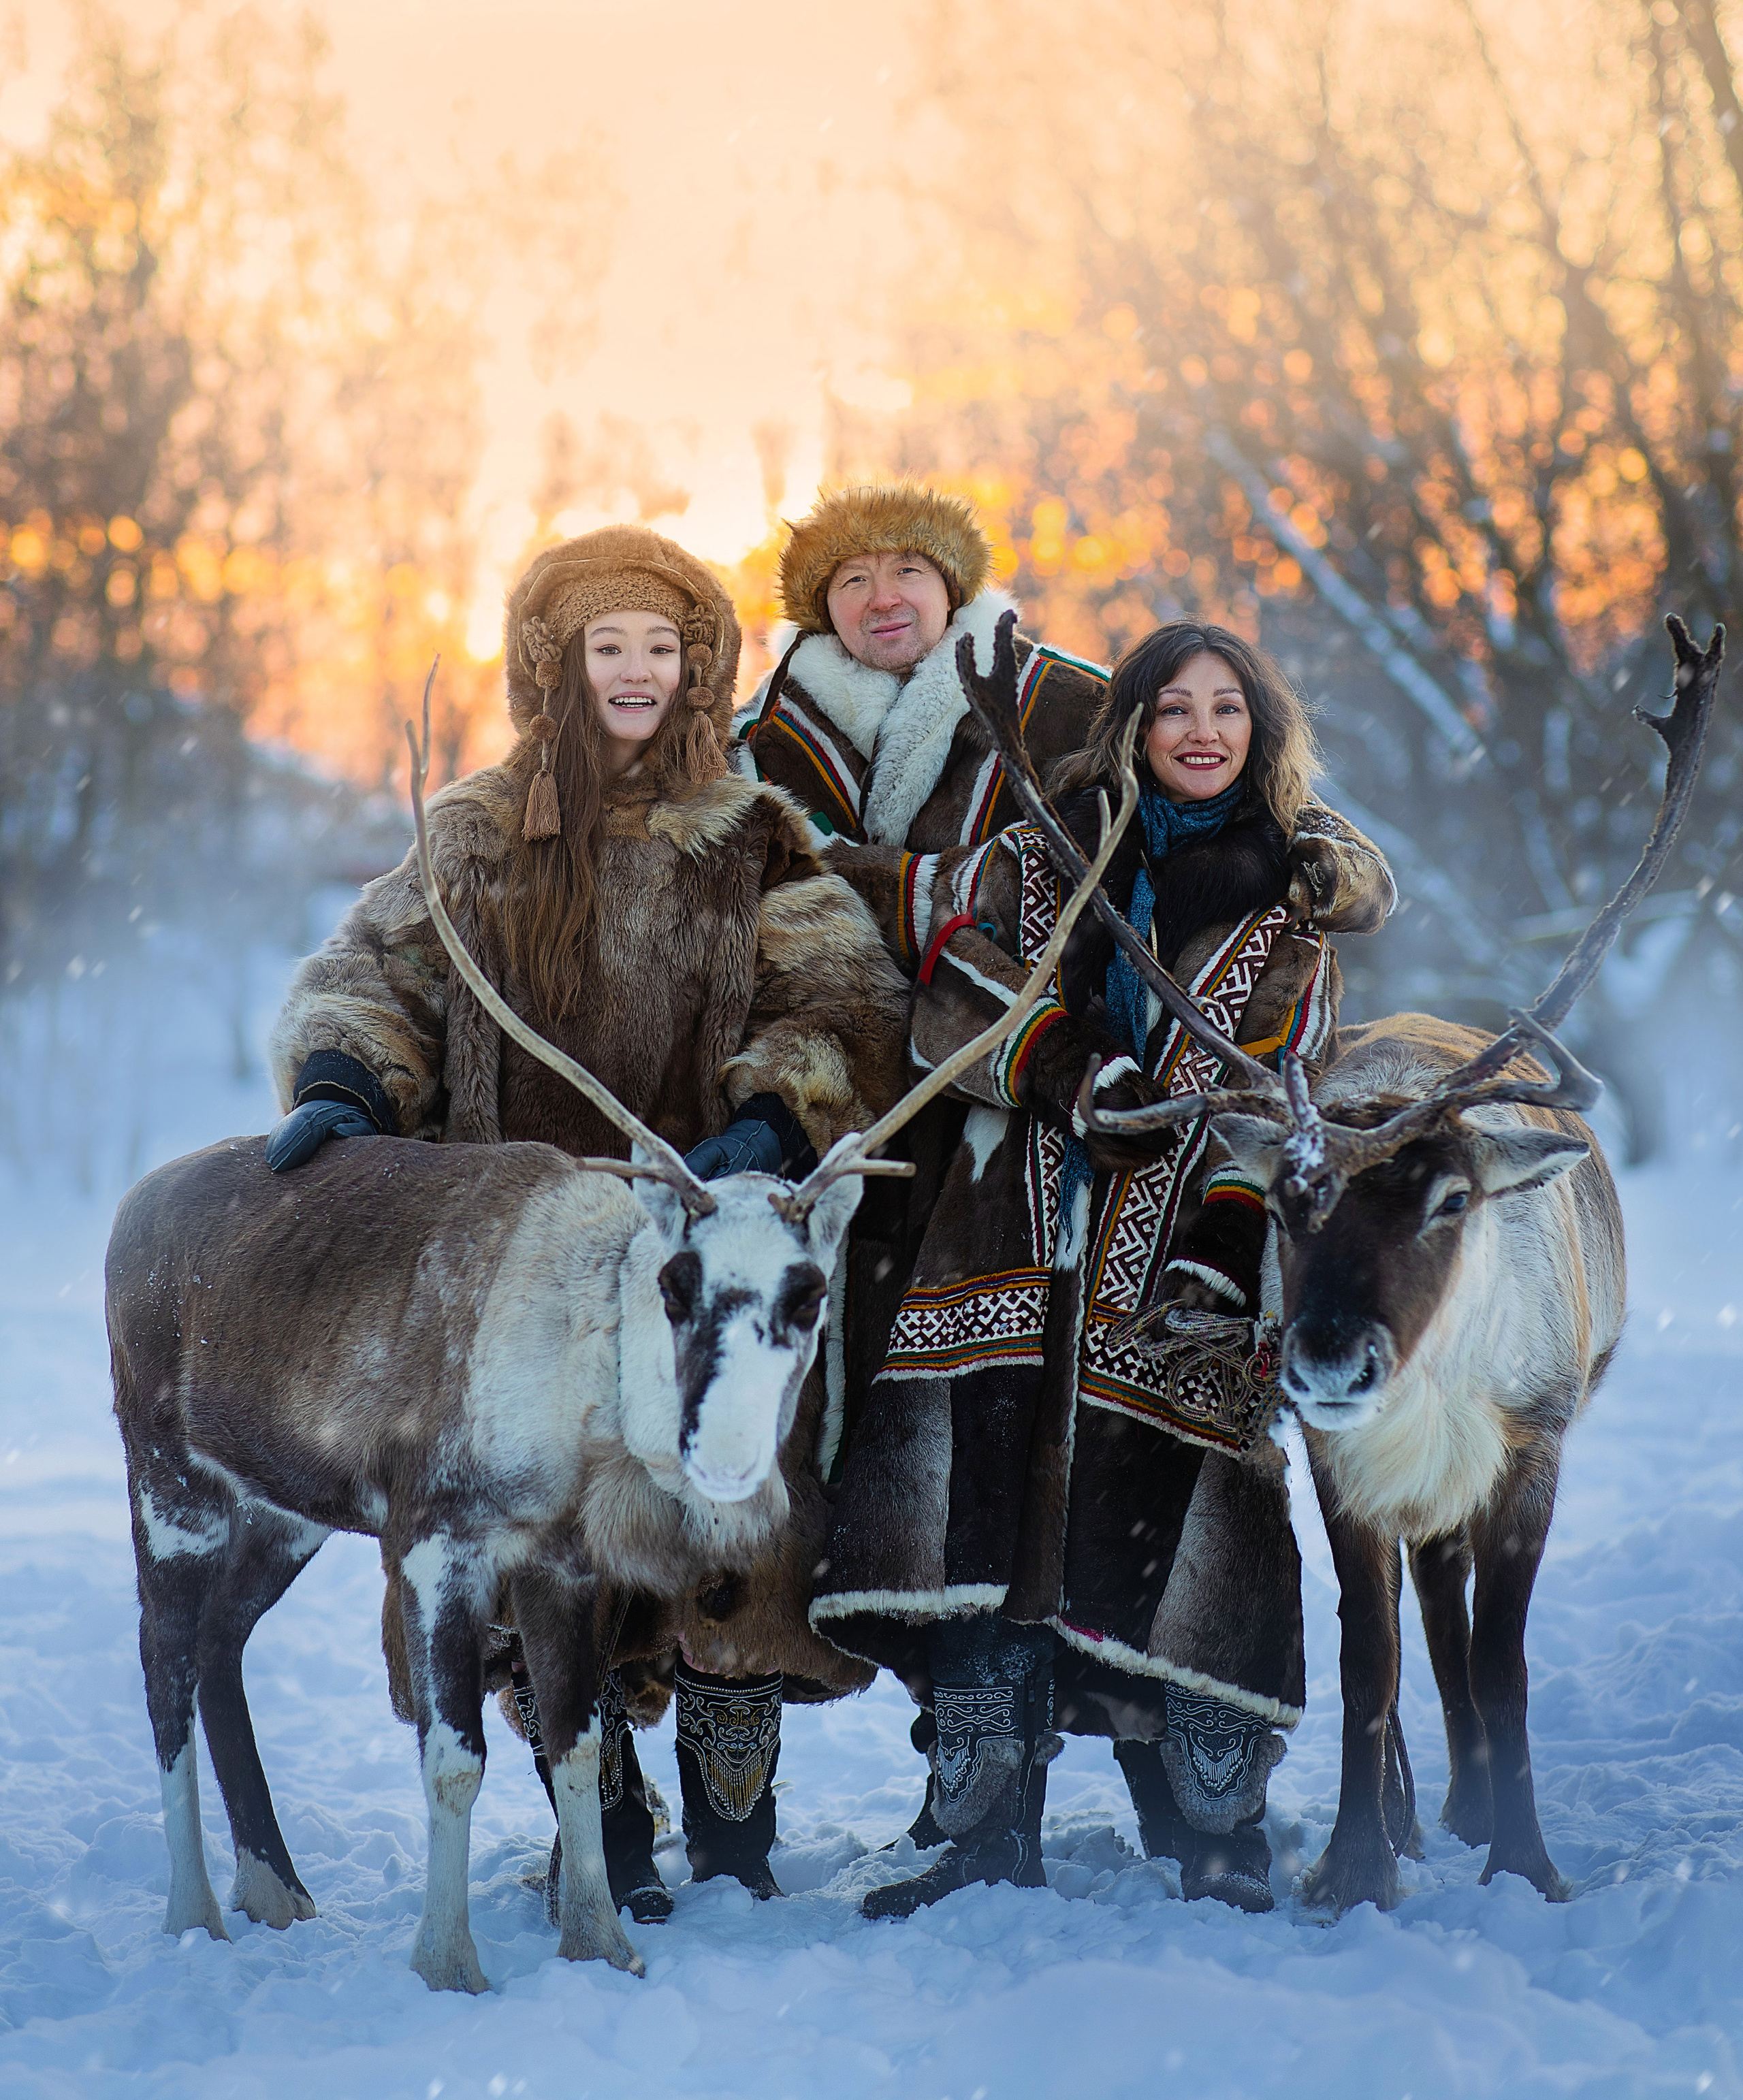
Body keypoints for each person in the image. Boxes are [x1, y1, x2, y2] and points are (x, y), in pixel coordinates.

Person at [740, 483, 1394, 1868]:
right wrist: (1063, 1070)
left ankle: (1200, 1784)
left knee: (1177, 1480)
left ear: (1260, 732)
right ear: (1133, 726)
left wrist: (1218, 1203)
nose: (1198, 732)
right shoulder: (1054, 845)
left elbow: (1283, 1066)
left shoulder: (1290, 891)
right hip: (1005, 1206)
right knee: (986, 1483)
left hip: (1189, 1240)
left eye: (1225, 710)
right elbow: (959, 979)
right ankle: (984, 1796)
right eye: (1172, 710)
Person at [265, 524, 908, 1919]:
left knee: (728, 1485)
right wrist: (343, 1075)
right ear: (556, 666)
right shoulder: (475, 836)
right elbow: (378, 973)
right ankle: (593, 1783)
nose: (634, 670)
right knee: (543, 1515)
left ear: (696, 671)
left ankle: (735, 1773)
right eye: (605, 646)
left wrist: (770, 1113)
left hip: (707, 1232)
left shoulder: (752, 835)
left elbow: (841, 999)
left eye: (660, 648)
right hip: (526, 1257)